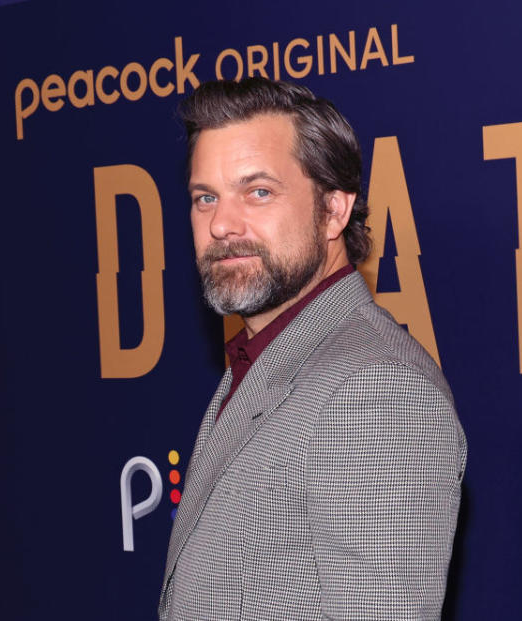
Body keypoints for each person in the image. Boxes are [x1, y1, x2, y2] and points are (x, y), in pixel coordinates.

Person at [159, 77, 466, 620]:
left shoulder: (375, 391)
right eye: (206, 197)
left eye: (259, 192)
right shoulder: (263, 358)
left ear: (334, 211)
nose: (222, 224)